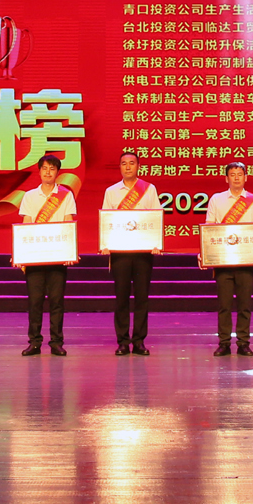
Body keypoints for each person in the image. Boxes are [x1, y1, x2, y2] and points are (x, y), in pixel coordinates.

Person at [16, 154, 77, 356]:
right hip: (35, 257)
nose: (48, 172)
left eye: (52, 168)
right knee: (35, 301)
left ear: (57, 172)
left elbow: (68, 224)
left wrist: (69, 251)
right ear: (39, 171)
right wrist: (22, 255)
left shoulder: (66, 196)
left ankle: (56, 342)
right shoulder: (29, 196)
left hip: (57, 257)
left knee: (56, 301)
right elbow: (26, 226)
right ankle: (34, 341)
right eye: (44, 168)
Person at [101, 151, 161, 355]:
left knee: (142, 298)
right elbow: (106, 220)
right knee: (121, 298)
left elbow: (155, 218)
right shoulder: (111, 192)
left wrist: (156, 243)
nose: (127, 167)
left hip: (143, 253)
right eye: (124, 163)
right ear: (119, 167)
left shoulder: (149, 189)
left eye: (132, 163)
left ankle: (139, 341)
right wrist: (106, 243)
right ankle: (123, 341)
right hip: (120, 253)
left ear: (138, 166)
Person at [205, 161, 253, 357]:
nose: (236, 178)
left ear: (245, 177)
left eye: (240, 174)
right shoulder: (217, 199)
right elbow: (209, 228)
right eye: (232, 174)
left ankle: (243, 342)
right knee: (224, 305)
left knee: (244, 305)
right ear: (226, 178)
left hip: (246, 260)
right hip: (223, 260)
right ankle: (224, 343)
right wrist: (206, 253)